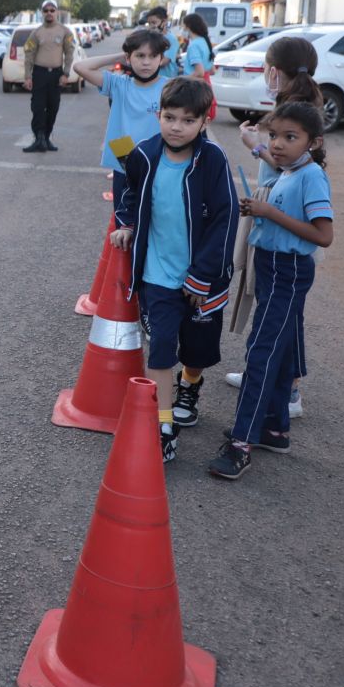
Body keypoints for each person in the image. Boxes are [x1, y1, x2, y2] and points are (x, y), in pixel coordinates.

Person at [110, 77, 238, 460]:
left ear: (203, 121)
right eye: (169, 117)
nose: (176, 127)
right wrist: (127, 224)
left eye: (187, 120)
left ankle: (191, 383)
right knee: (162, 348)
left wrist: (203, 276)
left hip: (201, 280)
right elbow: (129, 190)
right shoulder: (144, 153)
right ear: (159, 115)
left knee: (197, 350)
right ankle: (163, 426)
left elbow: (225, 218)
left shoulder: (212, 160)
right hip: (158, 276)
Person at [207, 102, 333, 480]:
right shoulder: (290, 169)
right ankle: (274, 429)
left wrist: (268, 212)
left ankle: (241, 443)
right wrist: (255, 147)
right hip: (271, 267)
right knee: (282, 347)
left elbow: (323, 235)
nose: (277, 144)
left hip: (286, 271)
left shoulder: (311, 176)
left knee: (261, 352)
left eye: (290, 137)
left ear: (314, 142)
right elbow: (275, 166)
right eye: (274, 135)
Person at [226, 35, 323, 417]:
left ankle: (289, 390)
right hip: (275, 206)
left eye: (267, 67)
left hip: (280, 211)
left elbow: (292, 166)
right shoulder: (297, 102)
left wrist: (255, 145)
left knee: (282, 306)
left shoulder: (298, 109)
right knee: (278, 303)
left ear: (275, 71)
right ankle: (271, 378)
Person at [73, 27, 169, 206]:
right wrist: (119, 57)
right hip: (124, 160)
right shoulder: (119, 84)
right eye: (140, 55)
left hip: (160, 164)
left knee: (154, 217)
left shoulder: (170, 88)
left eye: (153, 56)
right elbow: (80, 67)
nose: (146, 62)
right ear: (128, 58)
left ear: (161, 59)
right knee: (124, 217)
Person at [22, 0, 75, 153]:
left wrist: (66, 73)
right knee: (37, 108)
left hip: (56, 75)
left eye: (52, 10)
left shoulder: (65, 32)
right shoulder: (36, 33)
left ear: (57, 12)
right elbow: (29, 55)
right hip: (39, 74)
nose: (49, 13)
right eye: (46, 10)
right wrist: (27, 77)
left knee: (53, 108)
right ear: (42, 13)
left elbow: (69, 53)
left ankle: (46, 138)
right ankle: (38, 138)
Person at [145, 6, 181, 78]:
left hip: (166, 79)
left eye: (154, 22)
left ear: (164, 22)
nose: (151, 26)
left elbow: (164, 62)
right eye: (149, 23)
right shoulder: (149, 37)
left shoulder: (171, 40)